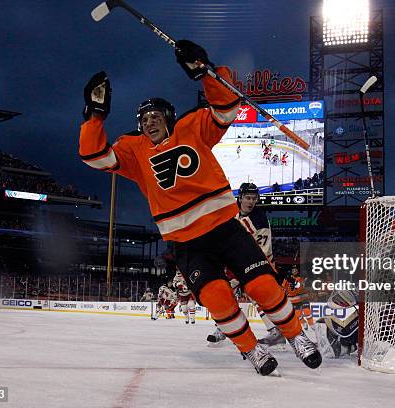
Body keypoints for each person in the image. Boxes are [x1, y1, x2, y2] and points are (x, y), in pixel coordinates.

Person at [78, 39, 320, 376]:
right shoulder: (133, 150)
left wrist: (204, 71)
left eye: (155, 115)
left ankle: (297, 336)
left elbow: (227, 106)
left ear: (169, 117)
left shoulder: (192, 126)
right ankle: (251, 350)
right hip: (186, 243)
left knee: (263, 286)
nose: (149, 122)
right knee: (217, 297)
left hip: (224, 228)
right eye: (143, 118)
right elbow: (93, 156)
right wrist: (95, 115)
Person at [206, 183, 290, 347]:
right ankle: (226, 328)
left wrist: (239, 274)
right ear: (240, 198)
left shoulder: (259, 220)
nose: (251, 201)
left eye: (254, 198)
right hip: (237, 260)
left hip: (259, 262)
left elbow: (262, 251)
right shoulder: (231, 213)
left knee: (255, 293)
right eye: (248, 198)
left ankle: (226, 328)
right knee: (223, 292)